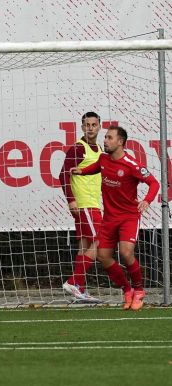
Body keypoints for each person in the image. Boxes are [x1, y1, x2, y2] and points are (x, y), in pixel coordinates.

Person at [71, 126, 159, 311]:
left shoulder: (131, 165)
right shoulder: (103, 158)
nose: (105, 141)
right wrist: (82, 171)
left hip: (128, 216)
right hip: (110, 217)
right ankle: (126, 289)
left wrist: (147, 200)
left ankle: (139, 290)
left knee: (126, 253)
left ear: (120, 142)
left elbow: (154, 183)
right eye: (105, 138)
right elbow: (97, 167)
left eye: (110, 138)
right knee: (103, 256)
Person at [58, 112, 103, 302]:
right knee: (101, 242)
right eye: (87, 125)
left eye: (94, 124)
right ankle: (73, 281)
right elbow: (63, 175)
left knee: (84, 246)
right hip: (84, 203)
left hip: (93, 203)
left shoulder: (99, 148)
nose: (91, 128)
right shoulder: (79, 148)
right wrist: (71, 200)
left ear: (100, 126)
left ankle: (79, 289)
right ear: (82, 127)